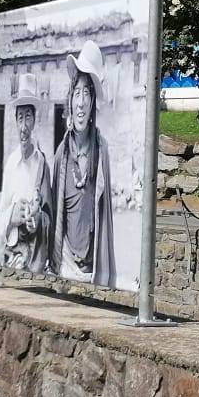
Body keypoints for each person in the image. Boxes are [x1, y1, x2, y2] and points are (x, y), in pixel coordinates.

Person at [50, 42, 117, 285]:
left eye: (86, 93)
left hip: (93, 265)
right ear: (70, 100)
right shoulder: (61, 154)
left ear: (92, 105)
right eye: (76, 93)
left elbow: (105, 219)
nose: (80, 102)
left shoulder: (102, 150)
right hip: (66, 262)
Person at [0, 74, 53, 272]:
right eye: (20, 118)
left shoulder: (42, 165)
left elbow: (49, 215)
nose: (23, 127)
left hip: (35, 257)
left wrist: (37, 221)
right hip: (12, 253)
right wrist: (11, 217)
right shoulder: (11, 163)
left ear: (35, 121)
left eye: (27, 118)